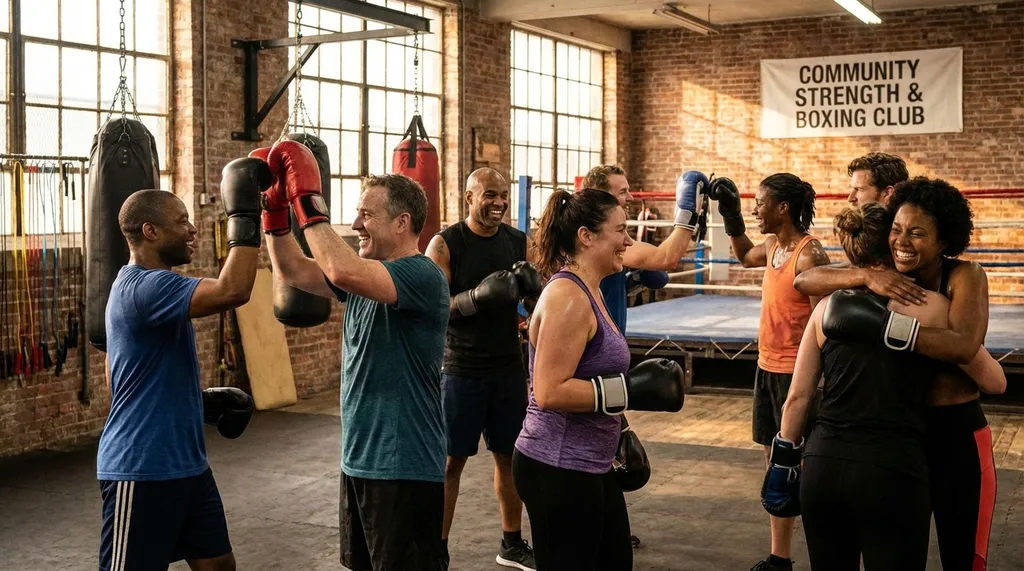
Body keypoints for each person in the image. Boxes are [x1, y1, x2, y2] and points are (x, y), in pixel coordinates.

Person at [787, 177, 1002, 571]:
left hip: (955, 435)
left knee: (963, 557)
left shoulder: (962, 277)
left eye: (918, 233)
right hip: (902, 437)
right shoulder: (883, 278)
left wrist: (885, 328)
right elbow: (803, 280)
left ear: (943, 240)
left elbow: (964, 347)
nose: (902, 241)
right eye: (896, 230)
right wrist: (865, 277)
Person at [260, 140, 448, 571]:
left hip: (404, 463)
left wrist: (305, 199)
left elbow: (342, 268)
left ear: (403, 223)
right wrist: (274, 214)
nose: (356, 223)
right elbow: (292, 270)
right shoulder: (366, 280)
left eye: (367, 214)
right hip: (360, 458)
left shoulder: (421, 274)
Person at [97, 158, 267, 571]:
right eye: (182, 221)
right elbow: (233, 290)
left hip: (188, 467)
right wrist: (246, 213)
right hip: (141, 468)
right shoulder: (148, 285)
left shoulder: (144, 286)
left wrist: (194, 401)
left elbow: (116, 374)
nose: (192, 229)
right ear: (150, 231)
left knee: (219, 566)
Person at [513, 188, 685, 571]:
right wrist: (628, 390)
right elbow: (549, 391)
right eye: (620, 231)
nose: (628, 241)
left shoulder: (591, 290)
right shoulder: (568, 297)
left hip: (591, 461)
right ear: (586, 236)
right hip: (557, 465)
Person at [764, 202, 935, 570]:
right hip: (891, 467)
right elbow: (993, 379)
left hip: (823, 464)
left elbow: (797, 398)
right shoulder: (926, 304)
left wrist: (782, 461)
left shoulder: (826, 307)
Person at [708, 173, 831, 571]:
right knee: (776, 469)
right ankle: (780, 558)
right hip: (767, 369)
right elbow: (744, 256)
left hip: (799, 378)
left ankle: (828, 556)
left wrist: (819, 382)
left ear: (783, 208)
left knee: (809, 473)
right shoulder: (773, 245)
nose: (755, 209)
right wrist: (729, 215)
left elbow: (826, 325)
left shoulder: (810, 255)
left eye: (760, 203)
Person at [580, 164, 702, 548]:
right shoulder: (605, 242)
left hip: (607, 356)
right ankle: (588, 529)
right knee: (599, 452)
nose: (631, 198)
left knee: (609, 452)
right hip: (587, 361)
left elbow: (656, 271)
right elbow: (667, 257)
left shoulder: (616, 244)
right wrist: (688, 210)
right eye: (623, 191)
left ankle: (604, 526)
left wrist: (633, 278)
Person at [425, 168, 540, 571]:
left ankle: (511, 542)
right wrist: (475, 297)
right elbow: (433, 309)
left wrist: (535, 290)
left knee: (509, 457)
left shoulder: (516, 241)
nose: (500, 202)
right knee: (449, 462)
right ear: (469, 197)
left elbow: (535, 306)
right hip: (460, 369)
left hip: (508, 367)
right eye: (490, 194)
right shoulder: (445, 244)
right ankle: (434, 549)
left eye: (504, 195)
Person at [793, 152, 922, 305]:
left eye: (859, 190)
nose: (851, 198)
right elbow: (802, 281)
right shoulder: (872, 232)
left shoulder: (904, 235)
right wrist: (866, 276)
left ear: (888, 193)